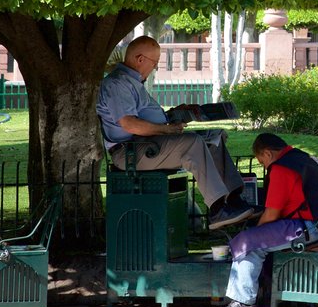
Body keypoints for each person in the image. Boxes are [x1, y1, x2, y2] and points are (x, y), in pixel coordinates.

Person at [97, 36, 253, 230]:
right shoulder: (117, 84)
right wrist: (166, 129)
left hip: (149, 144)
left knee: (215, 138)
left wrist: (174, 115)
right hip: (130, 152)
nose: (154, 68)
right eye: (154, 63)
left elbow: (144, 117)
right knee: (192, 142)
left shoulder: (132, 81)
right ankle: (217, 210)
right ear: (140, 59)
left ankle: (235, 199)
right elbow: (130, 124)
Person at [214, 132, 318, 307]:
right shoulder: (307, 159)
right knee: (254, 239)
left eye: (262, 162)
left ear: (267, 153)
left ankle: (244, 302)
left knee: (247, 241)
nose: (264, 167)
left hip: (307, 228)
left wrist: (255, 231)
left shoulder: (281, 169)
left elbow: (271, 214)